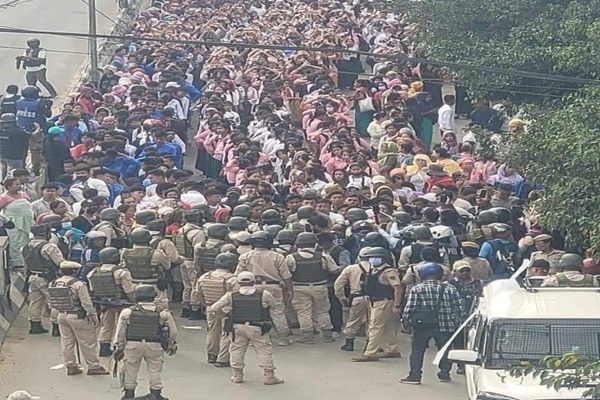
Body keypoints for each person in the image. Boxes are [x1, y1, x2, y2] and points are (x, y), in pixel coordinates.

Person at [209, 271, 284, 385]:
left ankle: (237, 375)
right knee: (264, 350)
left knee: (236, 350)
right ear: (254, 282)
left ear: (239, 283)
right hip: (258, 327)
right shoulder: (264, 294)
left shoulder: (231, 295)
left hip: (237, 327)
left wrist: (224, 314)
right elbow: (274, 307)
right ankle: (269, 376)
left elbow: (214, 308)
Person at [401, 263, 466, 384]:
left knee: (417, 351)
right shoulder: (450, 288)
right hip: (445, 326)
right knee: (445, 350)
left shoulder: (417, 289)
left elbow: (410, 308)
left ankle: (415, 376)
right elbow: (459, 307)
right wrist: (458, 320)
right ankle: (444, 374)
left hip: (423, 326)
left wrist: (405, 321)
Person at [113, 285, 178, 400]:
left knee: (130, 368)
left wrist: (119, 347)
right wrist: (172, 345)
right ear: (153, 296)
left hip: (132, 344)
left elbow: (120, 333)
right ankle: (156, 393)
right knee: (155, 369)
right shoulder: (163, 313)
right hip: (154, 344)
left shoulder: (127, 312)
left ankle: (129, 393)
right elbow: (173, 332)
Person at [48, 260, 109, 376]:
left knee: (67, 342)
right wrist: (94, 317)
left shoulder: (54, 283)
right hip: (78, 316)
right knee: (87, 342)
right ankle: (93, 366)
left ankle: (71, 366)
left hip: (61, 315)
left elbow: (51, 301)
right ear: (74, 271)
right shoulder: (78, 284)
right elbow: (86, 304)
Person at [235, 231, 294, 346]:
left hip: (253, 286)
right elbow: (286, 275)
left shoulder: (245, 256)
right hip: (273, 286)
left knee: (254, 312)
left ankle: (255, 339)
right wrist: (290, 289)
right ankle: (283, 338)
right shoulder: (277, 256)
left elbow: (239, 275)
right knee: (277, 312)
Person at [285, 232, 339, 344]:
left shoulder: (291, 257)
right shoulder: (323, 256)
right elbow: (334, 270)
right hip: (320, 286)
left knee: (304, 312)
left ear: (298, 244)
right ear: (314, 243)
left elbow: (287, 274)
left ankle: (307, 336)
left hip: (299, 287)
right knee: (323, 311)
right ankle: (327, 335)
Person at [352, 247, 403, 362]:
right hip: (374, 301)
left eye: (374, 257)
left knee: (375, 326)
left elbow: (397, 287)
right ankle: (392, 349)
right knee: (388, 326)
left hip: (383, 301)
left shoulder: (388, 271)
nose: (372, 259)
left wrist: (397, 304)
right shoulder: (374, 270)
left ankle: (370, 353)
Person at [87, 247, 135, 357]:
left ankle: (104, 346)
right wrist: (135, 302)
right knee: (121, 324)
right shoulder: (121, 272)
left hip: (104, 303)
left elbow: (92, 290)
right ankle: (119, 346)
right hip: (122, 302)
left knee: (106, 325)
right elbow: (129, 291)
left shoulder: (93, 272)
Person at [192, 252, 238, 367]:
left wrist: (206, 304)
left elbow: (197, 294)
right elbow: (236, 296)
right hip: (227, 309)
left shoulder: (205, 277)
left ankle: (212, 355)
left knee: (212, 331)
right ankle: (223, 358)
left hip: (210, 307)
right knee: (227, 333)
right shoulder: (232, 279)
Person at [22, 223, 65, 334]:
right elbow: (60, 263)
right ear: (46, 233)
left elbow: (25, 266)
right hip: (48, 278)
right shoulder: (49, 247)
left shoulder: (26, 247)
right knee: (55, 302)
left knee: (35, 302)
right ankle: (56, 328)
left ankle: (35, 325)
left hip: (33, 277)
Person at [121, 228, 171, 309]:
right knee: (161, 309)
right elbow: (167, 266)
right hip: (154, 286)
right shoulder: (157, 254)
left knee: (136, 310)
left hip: (134, 286)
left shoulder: (124, 253)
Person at [334, 246, 371, 352]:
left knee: (353, 320)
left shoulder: (351, 268)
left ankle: (349, 344)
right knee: (372, 321)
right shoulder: (378, 268)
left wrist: (342, 298)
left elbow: (338, 285)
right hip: (375, 299)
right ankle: (370, 344)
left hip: (357, 297)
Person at [173, 209, 207, 318]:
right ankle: (195, 309)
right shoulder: (197, 232)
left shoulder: (180, 230)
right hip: (192, 261)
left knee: (187, 286)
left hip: (183, 260)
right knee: (195, 286)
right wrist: (198, 266)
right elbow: (198, 251)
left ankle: (186, 308)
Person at [1, 178, 34, 269]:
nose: (19, 186)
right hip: (14, 224)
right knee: (16, 242)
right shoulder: (3, 198)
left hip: (28, 222)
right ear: (9, 186)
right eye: (16, 184)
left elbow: (28, 208)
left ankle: (28, 261)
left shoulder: (24, 194)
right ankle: (17, 262)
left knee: (28, 241)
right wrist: (6, 220)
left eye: (19, 184)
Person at [0, 113, 34, 181]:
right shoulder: (18, 131)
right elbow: (31, 135)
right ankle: (10, 184)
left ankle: (3, 182)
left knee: (4, 169)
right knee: (13, 172)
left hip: (2, 155)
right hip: (14, 156)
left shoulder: (1, 130)